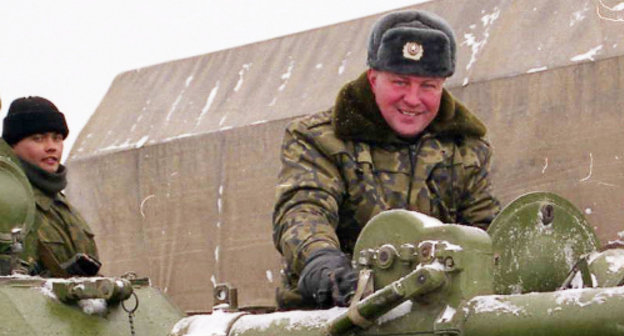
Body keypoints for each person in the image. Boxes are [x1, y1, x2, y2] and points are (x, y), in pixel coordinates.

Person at [272, 10, 500, 309]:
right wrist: (321, 261)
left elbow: (483, 230)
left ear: (443, 86)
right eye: (400, 82)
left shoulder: (465, 148)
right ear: (373, 79)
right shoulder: (319, 138)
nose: (413, 99)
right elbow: (303, 210)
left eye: (428, 86)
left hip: (432, 310)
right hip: (335, 312)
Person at [1, 96, 101, 277]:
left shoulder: (63, 207)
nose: (51, 147)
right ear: (12, 145)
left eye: (57, 138)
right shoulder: (10, 202)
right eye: (38, 139)